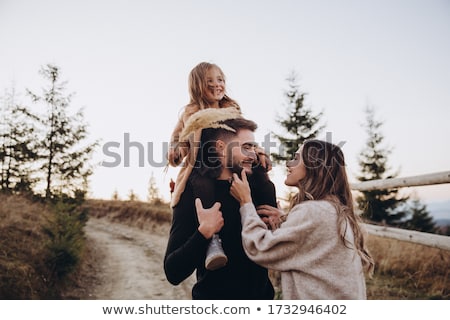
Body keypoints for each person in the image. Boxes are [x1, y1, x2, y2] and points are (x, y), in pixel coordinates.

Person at [230, 139, 375, 299]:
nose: (288, 163)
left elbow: (259, 248)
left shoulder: (313, 212)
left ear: (314, 167)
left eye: (296, 158)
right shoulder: (333, 209)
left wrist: (246, 203)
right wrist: (286, 221)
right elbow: (309, 247)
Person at [164, 108, 278, 299]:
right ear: (220, 147)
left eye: (254, 147)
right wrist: (204, 232)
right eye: (246, 147)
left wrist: (280, 225)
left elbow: (274, 251)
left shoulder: (261, 189)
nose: (253, 155)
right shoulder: (195, 195)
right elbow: (173, 272)